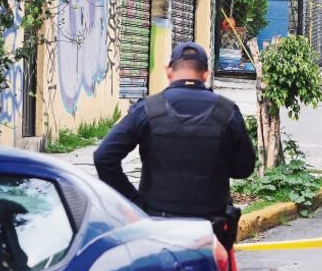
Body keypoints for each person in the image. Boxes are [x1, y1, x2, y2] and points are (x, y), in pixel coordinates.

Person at [94, 42, 256, 249]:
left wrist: (135, 203)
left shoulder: (148, 109)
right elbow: (244, 168)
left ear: (168, 71)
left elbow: (103, 157)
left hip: (157, 229)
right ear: (206, 73)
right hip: (210, 230)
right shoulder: (226, 111)